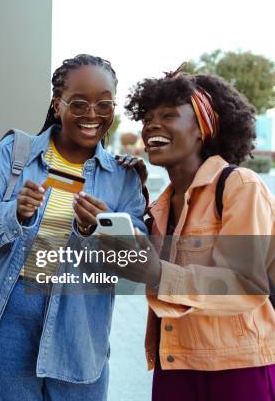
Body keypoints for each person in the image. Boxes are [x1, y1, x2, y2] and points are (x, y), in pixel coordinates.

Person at [0, 54, 147, 401]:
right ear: (57, 105)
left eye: (104, 104)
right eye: (79, 103)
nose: (92, 114)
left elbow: (135, 263)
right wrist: (13, 213)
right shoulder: (17, 153)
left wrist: (100, 230)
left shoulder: (123, 178)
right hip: (8, 322)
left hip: (79, 330)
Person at [112, 65, 275, 400]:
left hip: (237, 368)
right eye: (148, 117)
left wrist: (159, 273)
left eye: (169, 115)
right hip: (174, 365)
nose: (152, 125)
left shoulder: (240, 186)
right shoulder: (157, 205)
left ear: (203, 129)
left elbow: (246, 285)